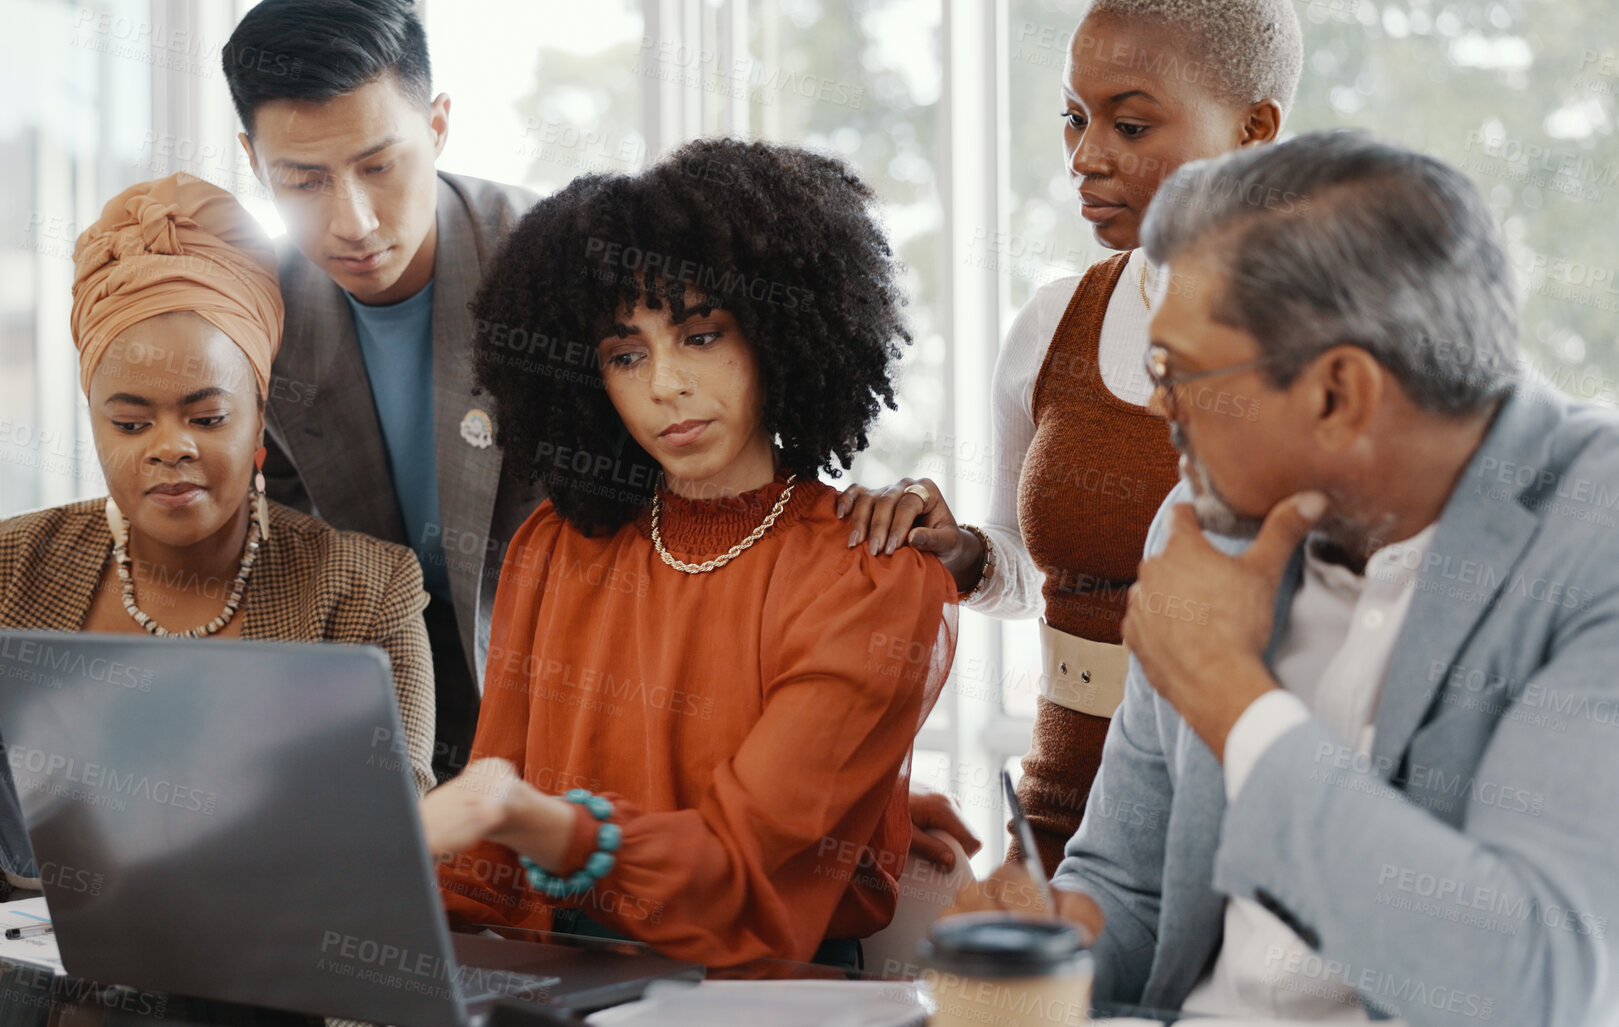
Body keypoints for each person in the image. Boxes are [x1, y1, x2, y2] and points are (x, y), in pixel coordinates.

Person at [956, 131, 1619, 1023]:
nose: (1159, 405)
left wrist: (1235, 701)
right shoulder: (1202, 517)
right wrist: (1051, 945)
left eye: (1177, 371)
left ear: (1336, 395)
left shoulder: (1590, 539)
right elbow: (1126, 884)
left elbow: (1528, 985)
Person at [419, 139, 959, 970]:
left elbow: (742, 874)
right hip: (561, 981)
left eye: (700, 335)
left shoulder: (869, 572)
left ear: (780, 336)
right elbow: (483, 878)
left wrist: (524, 815)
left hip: (772, 995)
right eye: (625, 354)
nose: (664, 383)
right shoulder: (558, 545)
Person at [0, 173, 437, 900]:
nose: (169, 447)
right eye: (129, 423)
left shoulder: (362, 587)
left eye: (207, 417)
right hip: (32, 1005)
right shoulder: (0, 566)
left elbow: (393, 833)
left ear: (260, 415)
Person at [840, 0, 1300, 872]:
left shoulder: (1331, 346)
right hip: (1060, 819)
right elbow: (1028, 570)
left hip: (1241, 836)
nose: (1086, 157)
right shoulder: (1055, 321)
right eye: (1072, 118)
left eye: (1129, 123)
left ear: (1252, 129)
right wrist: (967, 554)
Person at [221, 0, 543, 782]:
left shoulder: (549, 265)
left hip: (571, 736)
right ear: (252, 161)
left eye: (378, 165)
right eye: (301, 181)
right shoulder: (262, 314)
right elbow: (294, 556)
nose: (353, 222)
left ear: (435, 127)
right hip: (382, 748)